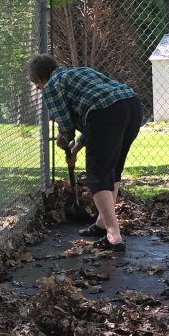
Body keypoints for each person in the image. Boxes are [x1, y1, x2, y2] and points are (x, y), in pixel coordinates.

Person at [28, 53, 143, 252]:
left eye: (38, 86)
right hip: (131, 105)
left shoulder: (51, 86)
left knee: (97, 176)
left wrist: (63, 138)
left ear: (40, 80)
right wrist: (76, 147)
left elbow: (67, 123)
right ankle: (101, 224)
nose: (40, 89)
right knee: (112, 169)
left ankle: (114, 237)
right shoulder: (80, 72)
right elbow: (94, 116)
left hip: (106, 113)